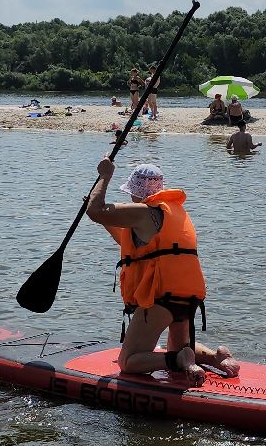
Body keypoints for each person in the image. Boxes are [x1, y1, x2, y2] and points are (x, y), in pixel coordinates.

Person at [85, 160, 240, 380]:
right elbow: (131, 245)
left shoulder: (142, 211)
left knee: (128, 362)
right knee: (177, 347)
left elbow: (96, 210)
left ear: (136, 191)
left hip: (160, 298)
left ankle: (179, 360)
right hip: (187, 297)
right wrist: (103, 218)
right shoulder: (172, 211)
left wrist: (105, 176)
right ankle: (217, 357)